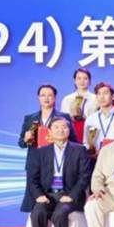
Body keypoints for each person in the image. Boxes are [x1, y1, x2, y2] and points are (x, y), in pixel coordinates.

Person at [24, 118, 90, 227]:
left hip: (69, 195)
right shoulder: (40, 152)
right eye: (56, 127)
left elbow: (84, 177)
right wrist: (39, 196)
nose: (61, 130)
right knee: (38, 212)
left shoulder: (79, 150)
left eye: (64, 127)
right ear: (50, 131)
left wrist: (72, 195)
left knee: (60, 213)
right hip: (47, 195)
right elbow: (32, 179)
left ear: (69, 130)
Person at [18, 84, 76, 212]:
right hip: (35, 162)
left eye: (50, 95)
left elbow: (74, 141)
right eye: (43, 95)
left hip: (58, 161)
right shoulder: (30, 118)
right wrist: (26, 139)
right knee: (35, 199)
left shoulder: (64, 117)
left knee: (57, 199)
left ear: (55, 98)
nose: (46, 98)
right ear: (38, 98)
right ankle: (36, 221)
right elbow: (21, 143)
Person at [83, 82, 114, 153]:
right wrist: (91, 149)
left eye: (105, 93)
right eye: (99, 94)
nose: (102, 97)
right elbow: (86, 142)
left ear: (113, 96)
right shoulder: (91, 119)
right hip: (96, 156)